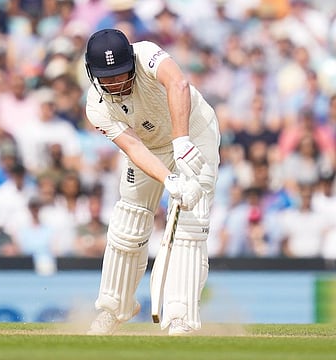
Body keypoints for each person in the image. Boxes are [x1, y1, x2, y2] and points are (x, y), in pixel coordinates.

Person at [84, 29, 220, 335]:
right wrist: (170, 179)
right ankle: (114, 308)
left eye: (121, 74)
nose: (116, 83)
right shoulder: (96, 107)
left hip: (193, 133)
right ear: (92, 74)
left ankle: (180, 316)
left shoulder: (146, 53)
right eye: (108, 77)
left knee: (189, 221)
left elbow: (178, 83)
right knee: (128, 222)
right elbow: (133, 148)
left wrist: (182, 141)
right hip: (148, 147)